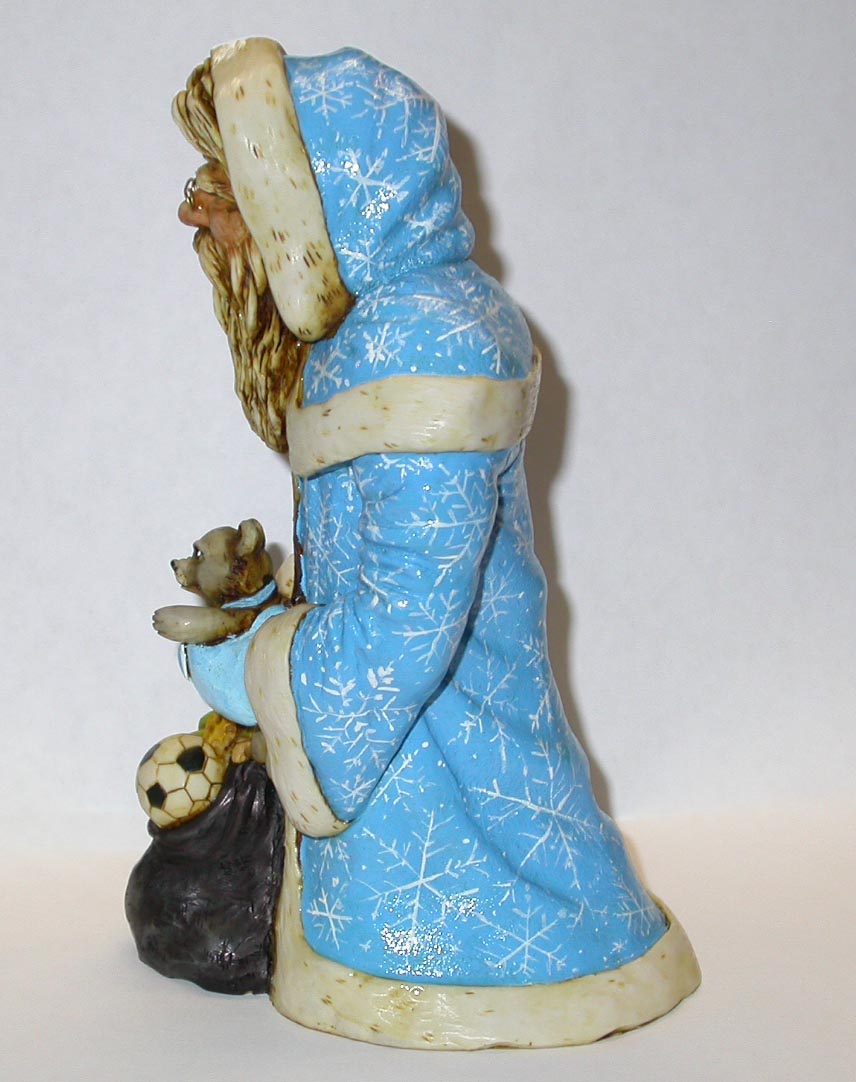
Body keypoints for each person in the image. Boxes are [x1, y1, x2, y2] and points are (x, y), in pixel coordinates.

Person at [170, 37, 699, 1048]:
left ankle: (526, 964)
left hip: (438, 760)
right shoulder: (383, 324)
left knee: (496, 878)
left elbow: (407, 619)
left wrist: (254, 668)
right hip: (415, 749)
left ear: (311, 202)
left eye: (232, 193)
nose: (204, 219)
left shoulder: (421, 341)